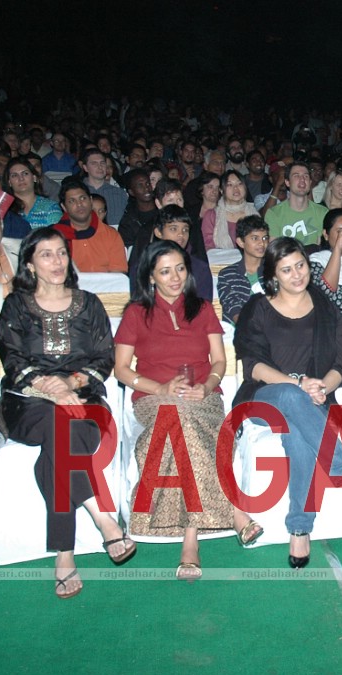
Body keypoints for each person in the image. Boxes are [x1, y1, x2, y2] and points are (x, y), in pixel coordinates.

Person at [0, 227, 135, 599]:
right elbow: (12, 358)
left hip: (84, 402)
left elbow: (104, 358)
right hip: (26, 402)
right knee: (58, 422)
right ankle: (102, 517)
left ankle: (65, 552)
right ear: (30, 264)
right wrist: (48, 386)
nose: (57, 262)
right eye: (46, 255)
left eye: (61, 253)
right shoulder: (16, 306)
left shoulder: (89, 303)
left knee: (59, 440)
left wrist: (69, 385)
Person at [115, 240, 262, 582]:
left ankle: (190, 539)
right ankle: (230, 515)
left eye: (180, 268)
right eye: (165, 271)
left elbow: (220, 361)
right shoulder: (136, 313)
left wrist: (206, 387)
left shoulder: (203, 309)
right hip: (155, 399)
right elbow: (122, 369)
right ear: (150, 276)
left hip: (203, 397)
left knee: (178, 423)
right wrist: (161, 388)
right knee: (173, 415)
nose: (175, 277)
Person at [233, 238, 342, 569]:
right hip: (263, 398)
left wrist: (321, 388)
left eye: (300, 265)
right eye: (286, 269)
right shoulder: (258, 308)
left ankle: (300, 528)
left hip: (313, 401)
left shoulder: (327, 309)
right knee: (289, 395)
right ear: (273, 275)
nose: (297, 274)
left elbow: (340, 366)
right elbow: (252, 365)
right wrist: (298, 384)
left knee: (298, 436)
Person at [129, 206, 213, 300]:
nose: (181, 234)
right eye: (173, 229)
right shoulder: (142, 267)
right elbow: (139, 306)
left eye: (185, 230)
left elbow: (204, 307)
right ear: (158, 233)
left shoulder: (199, 267)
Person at [51, 179, 128, 273]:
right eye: (72, 201)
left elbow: (118, 275)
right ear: (64, 207)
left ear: (91, 201)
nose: (79, 204)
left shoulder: (111, 235)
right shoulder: (55, 236)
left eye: (83, 198)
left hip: (105, 286)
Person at [217, 214, 268, 323]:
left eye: (265, 238)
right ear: (241, 242)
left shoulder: (274, 270)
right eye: (255, 238)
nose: (262, 243)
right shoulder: (227, 275)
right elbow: (232, 306)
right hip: (240, 331)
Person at [264, 161, 328, 246]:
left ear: (310, 182)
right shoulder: (274, 214)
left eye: (306, 176)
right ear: (287, 182)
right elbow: (274, 250)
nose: (302, 179)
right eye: (296, 176)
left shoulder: (323, 212)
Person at [201, 169, 256, 250]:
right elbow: (209, 247)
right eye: (230, 185)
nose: (236, 188)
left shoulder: (253, 213)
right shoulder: (212, 215)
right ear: (221, 190)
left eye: (239, 183)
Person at [4, 157, 62, 230]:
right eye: (14, 175)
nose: (21, 178)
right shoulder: (5, 210)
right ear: (9, 182)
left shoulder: (51, 208)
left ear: (34, 177)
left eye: (25, 173)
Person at [78, 148, 128, 225]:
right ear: (85, 168)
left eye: (102, 163)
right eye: (94, 163)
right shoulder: (77, 193)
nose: (100, 167)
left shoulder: (120, 193)